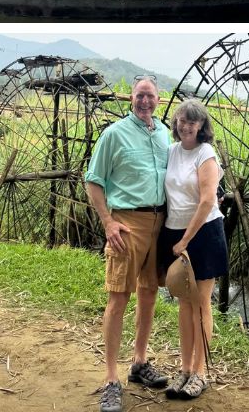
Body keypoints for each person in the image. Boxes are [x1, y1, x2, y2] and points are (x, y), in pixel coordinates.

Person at [84, 77, 173, 412]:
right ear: (131, 99)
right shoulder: (114, 134)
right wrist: (108, 222)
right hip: (128, 222)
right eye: (139, 96)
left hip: (160, 222)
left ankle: (139, 362)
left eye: (150, 96)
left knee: (149, 291)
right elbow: (94, 180)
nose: (145, 101)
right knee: (118, 297)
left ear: (158, 100)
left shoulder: (164, 133)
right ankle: (110, 378)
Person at [156, 99, 228, 401]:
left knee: (201, 302)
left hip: (202, 233)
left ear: (201, 127)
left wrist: (186, 240)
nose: (186, 126)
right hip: (175, 232)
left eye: (192, 122)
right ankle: (184, 369)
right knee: (184, 304)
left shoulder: (205, 153)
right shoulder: (171, 152)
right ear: (176, 123)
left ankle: (200, 373)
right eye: (182, 120)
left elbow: (208, 200)